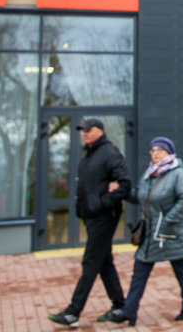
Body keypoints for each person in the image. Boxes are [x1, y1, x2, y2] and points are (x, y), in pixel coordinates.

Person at [103, 136, 183, 326]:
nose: (155, 154)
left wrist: (168, 221)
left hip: (172, 231)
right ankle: (129, 311)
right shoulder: (150, 173)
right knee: (140, 267)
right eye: (152, 150)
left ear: (169, 153)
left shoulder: (178, 173)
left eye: (159, 150)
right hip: (151, 231)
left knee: (181, 268)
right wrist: (122, 190)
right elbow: (140, 196)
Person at [49, 118, 131, 327]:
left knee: (90, 262)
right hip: (91, 217)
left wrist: (101, 203)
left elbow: (124, 185)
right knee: (104, 263)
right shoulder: (88, 156)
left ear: (100, 131)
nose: (85, 133)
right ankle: (120, 305)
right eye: (82, 131)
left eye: (89, 130)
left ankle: (73, 312)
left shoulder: (110, 153)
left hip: (105, 216)